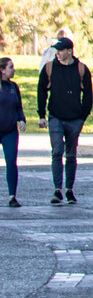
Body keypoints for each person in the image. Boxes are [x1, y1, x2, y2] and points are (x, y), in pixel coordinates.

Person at [36, 36, 92, 206]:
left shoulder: (81, 69)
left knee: (71, 155)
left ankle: (69, 189)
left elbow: (88, 95)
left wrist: (82, 117)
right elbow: (41, 91)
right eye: (57, 50)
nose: (58, 53)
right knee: (57, 151)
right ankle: (57, 189)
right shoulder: (50, 68)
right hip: (56, 117)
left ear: (69, 51)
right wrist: (41, 114)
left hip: (74, 118)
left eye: (61, 50)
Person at [0, 57, 24, 207]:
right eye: (10, 67)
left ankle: (12, 196)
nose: (13, 69)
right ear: (2, 70)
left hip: (10, 131)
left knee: (11, 162)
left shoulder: (13, 87)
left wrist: (21, 119)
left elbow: (18, 107)